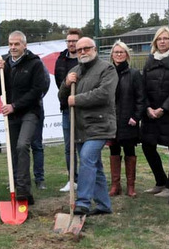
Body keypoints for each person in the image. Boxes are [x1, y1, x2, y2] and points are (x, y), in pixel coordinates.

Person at [58, 37, 117, 215]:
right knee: (94, 165)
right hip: (80, 126)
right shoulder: (75, 71)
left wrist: (77, 99)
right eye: (79, 50)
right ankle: (104, 205)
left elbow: (104, 94)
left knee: (86, 159)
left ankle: (83, 202)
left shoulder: (107, 69)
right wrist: (66, 84)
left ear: (95, 49)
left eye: (86, 48)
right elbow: (62, 98)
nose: (82, 52)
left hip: (99, 124)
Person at [0, 30, 46, 205]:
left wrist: (15, 106)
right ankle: (18, 187)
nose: (13, 47)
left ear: (24, 45)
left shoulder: (35, 64)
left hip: (30, 112)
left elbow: (37, 90)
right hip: (12, 116)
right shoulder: (6, 63)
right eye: (10, 44)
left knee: (23, 145)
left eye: (17, 44)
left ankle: (23, 190)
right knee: (14, 149)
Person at [141, 26, 169, 198]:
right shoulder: (149, 60)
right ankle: (160, 181)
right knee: (147, 145)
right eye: (159, 39)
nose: (162, 41)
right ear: (155, 42)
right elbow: (142, 87)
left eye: (166, 38)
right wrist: (148, 108)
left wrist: (164, 108)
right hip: (151, 113)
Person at [107, 40, 144, 198]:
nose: (119, 54)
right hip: (112, 121)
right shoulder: (108, 74)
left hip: (129, 121)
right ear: (112, 55)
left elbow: (141, 98)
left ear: (127, 55)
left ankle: (131, 186)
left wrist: (136, 116)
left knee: (129, 151)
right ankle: (116, 185)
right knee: (114, 151)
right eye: (116, 52)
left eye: (122, 52)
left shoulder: (134, 74)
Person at [55, 28, 81, 192]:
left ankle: (86, 179)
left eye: (74, 41)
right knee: (69, 146)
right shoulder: (61, 60)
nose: (71, 43)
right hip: (67, 108)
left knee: (83, 145)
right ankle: (73, 179)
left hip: (85, 108)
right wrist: (66, 84)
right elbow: (60, 83)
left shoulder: (85, 59)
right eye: (69, 41)